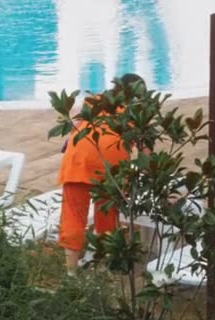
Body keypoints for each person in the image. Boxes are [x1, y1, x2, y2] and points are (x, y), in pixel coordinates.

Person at [56, 73, 146, 274]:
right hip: (110, 168)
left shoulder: (94, 101)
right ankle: (103, 266)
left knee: (73, 214)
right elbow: (146, 156)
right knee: (107, 213)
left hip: (78, 161)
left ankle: (70, 272)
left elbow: (74, 128)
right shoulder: (138, 114)